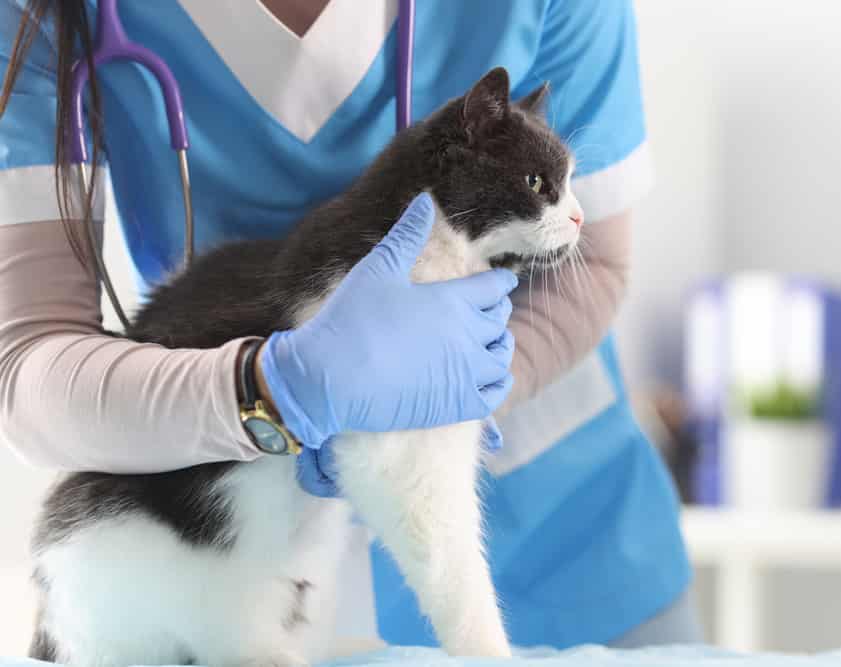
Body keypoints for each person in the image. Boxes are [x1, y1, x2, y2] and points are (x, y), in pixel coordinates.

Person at [0, 0, 699, 652]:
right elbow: (28, 361)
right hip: (239, 574)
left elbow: (598, 261)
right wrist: (271, 389)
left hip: (572, 558)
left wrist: (463, 386)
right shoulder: (48, 13)